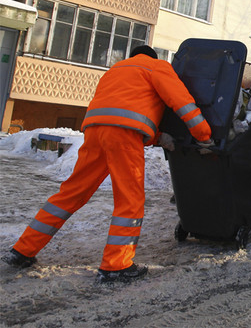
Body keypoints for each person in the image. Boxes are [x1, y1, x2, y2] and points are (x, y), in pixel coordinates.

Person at [2, 46, 213, 283]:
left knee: (71, 193)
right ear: (152, 56)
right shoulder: (156, 67)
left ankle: (22, 250)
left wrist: (158, 136)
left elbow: (123, 111)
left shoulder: (116, 70)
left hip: (94, 131)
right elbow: (181, 102)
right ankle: (116, 265)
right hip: (123, 136)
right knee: (129, 199)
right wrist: (203, 135)